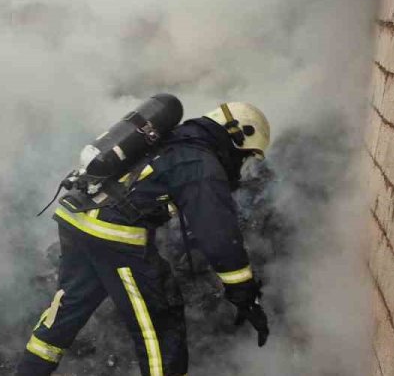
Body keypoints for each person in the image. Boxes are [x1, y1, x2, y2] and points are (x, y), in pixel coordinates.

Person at [17, 102, 272, 376]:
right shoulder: (200, 163)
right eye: (245, 156)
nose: (241, 164)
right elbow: (219, 236)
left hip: (77, 219)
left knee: (65, 312)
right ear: (237, 135)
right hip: (114, 237)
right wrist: (244, 293)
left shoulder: (173, 140)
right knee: (160, 328)